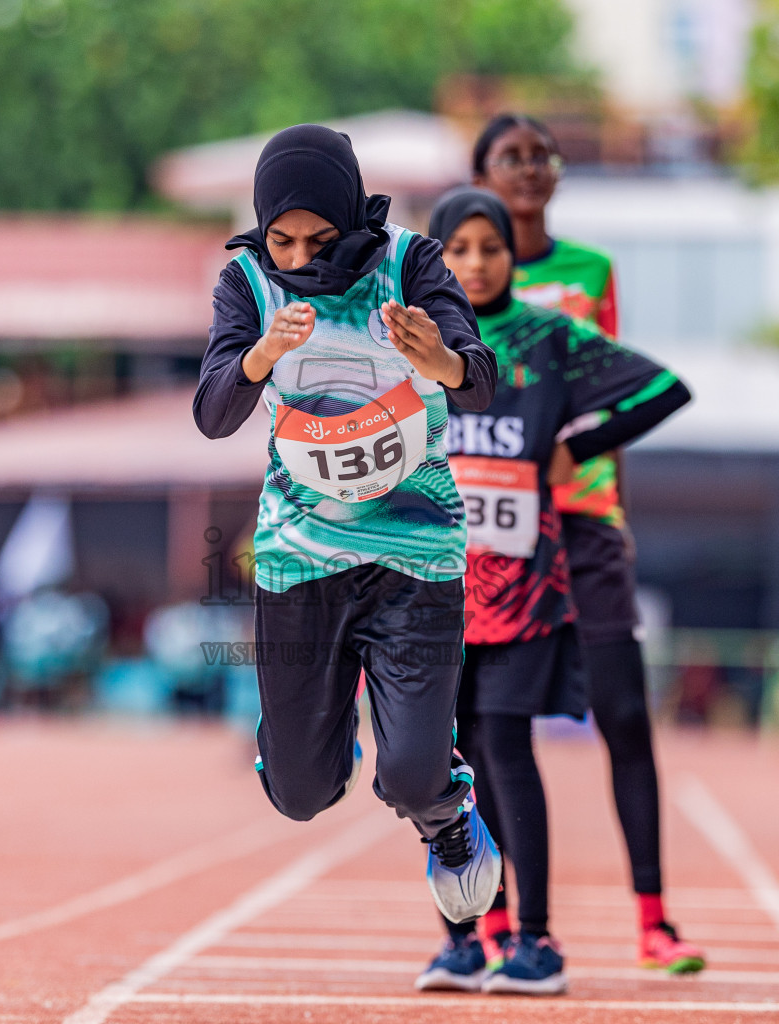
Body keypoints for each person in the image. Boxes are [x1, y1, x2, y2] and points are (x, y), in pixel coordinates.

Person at [194, 125, 503, 925]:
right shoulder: (249, 286)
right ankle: (305, 732)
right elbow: (213, 415)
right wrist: (260, 356)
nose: (299, 258)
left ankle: (447, 818)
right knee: (299, 795)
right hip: (302, 562)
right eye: (282, 240)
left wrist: (441, 359)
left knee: (409, 773)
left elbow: (480, 384)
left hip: (416, 557)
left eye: (320, 240)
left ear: (353, 222)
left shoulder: (411, 264)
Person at [412, 187, 691, 995]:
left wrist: (579, 447)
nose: (474, 263)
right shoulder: (410, 339)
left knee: (503, 746)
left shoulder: (547, 337)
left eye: (489, 247)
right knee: (438, 764)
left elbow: (664, 389)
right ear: (434, 257)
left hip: (522, 591)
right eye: (457, 249)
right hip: (429, 590)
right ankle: (466, 940)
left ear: (511, 254)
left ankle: (535, 940)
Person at [471, 112, 705, 972]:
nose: (528, 171)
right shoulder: (449, 273)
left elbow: (617, 385)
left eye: (541, 157)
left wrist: (595, 474)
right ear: (480, 176)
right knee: (493, 729)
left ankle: (653, 917)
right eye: (510, 158)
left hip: (584, 516)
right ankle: (500, 922)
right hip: (493, 530)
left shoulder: (588, 272)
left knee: (624, 713)